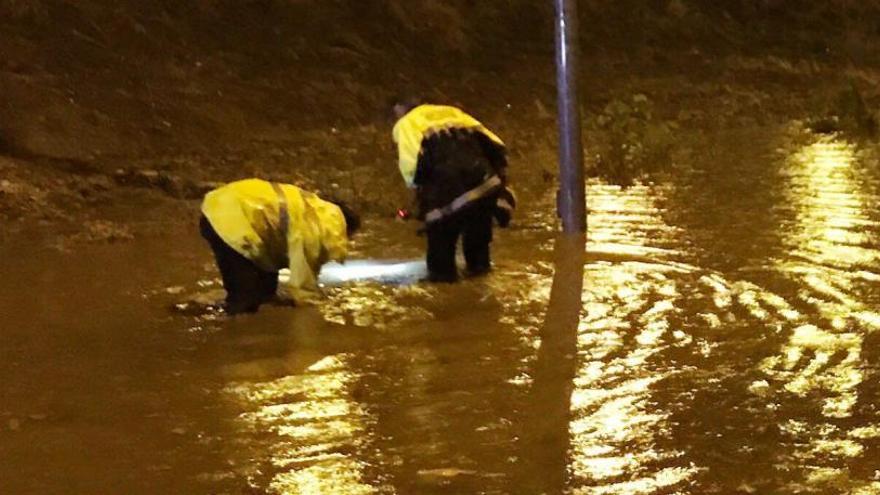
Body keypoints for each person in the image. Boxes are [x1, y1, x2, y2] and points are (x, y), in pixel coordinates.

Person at [392, 102, 515, 282]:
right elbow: (496, 145)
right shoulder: (453, 113)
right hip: (484, 185)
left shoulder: (407, 124)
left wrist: (418, 193)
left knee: (440, 255)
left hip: (447, 190)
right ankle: (481, 287)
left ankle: (444, 287)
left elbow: (411, 166)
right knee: (479, 253)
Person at [199, 178, 360, 314]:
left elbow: (279, 243)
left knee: (266, 291)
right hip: (232, 223)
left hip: (221, 210)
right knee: (245, 301)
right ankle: (228, 330)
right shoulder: (319, 229)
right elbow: (302, 284)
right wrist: (314, 311)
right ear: (346, 230)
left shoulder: (316, 212)